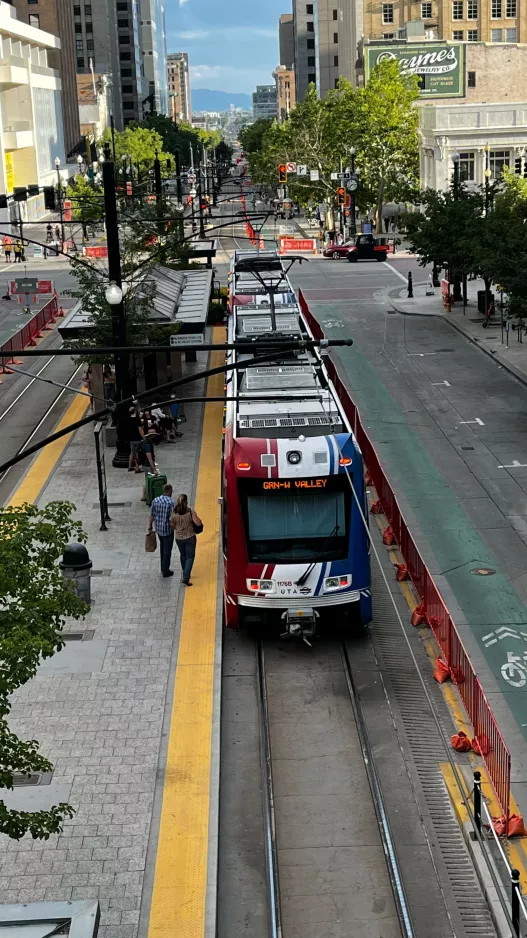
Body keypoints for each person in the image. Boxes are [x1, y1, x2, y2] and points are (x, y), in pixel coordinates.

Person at [170, 494, 201, 586]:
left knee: (183, 555)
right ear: (186, 502)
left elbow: (172, 526)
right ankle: (186, 577)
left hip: (179, 538)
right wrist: (195, 515)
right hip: (190, 537)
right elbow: (198, 523)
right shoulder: (190, 512)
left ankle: (185, 571)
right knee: (190, 557)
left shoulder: (173, 514)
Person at [147, 483, 175, 578]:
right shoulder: (171, 502)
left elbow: (152, 516)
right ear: (170, 491)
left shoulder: (155, 500)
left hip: (158, 529)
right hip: (168, 530)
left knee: (162, 547)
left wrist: (150, 527)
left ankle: (163, 567)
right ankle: (166, 570)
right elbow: (173, 518)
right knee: (167, 550)